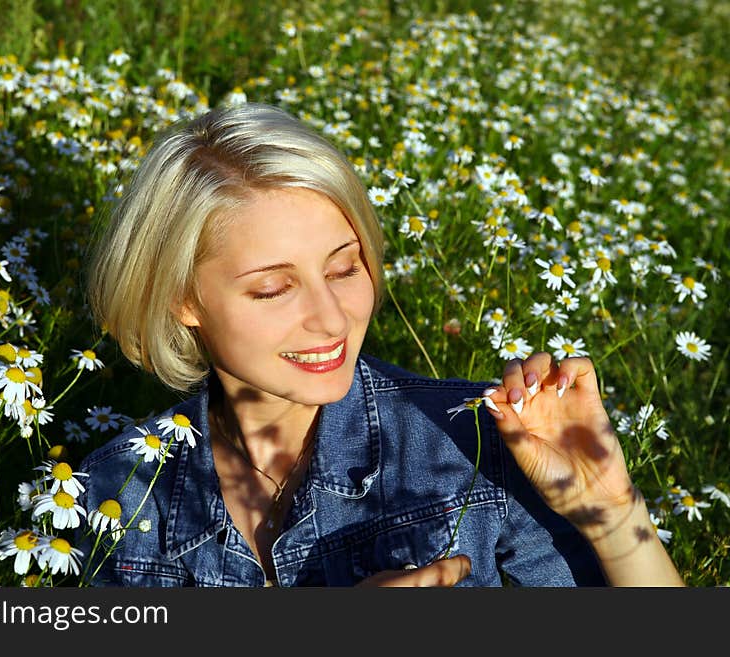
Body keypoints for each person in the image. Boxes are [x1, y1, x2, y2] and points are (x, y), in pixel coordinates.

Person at [77, 102, 684, 587]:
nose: (332, 317)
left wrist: (613, 512)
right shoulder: (115, 497)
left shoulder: (478, 442)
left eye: (344, 268)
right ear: (181, 298)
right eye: (273, 288)